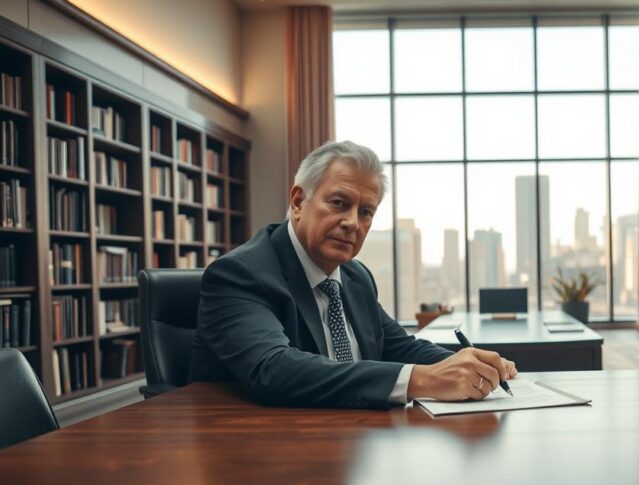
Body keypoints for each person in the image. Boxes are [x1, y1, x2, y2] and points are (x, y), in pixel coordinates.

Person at [188, 141, 516, 409]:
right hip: (259, 450)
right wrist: (423, 380)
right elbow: (273, 370)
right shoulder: (240, 274)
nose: (352, 223)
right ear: (299, 201)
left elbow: (398, 346)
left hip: (351, 438)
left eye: (365, 212)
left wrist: (471, 365)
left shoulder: (355, 276)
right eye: (339, 203)